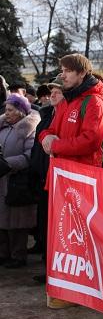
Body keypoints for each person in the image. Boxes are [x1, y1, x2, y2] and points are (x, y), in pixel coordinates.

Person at [39, 54, 103, 308]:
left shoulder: (93, 103)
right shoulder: (66, 101)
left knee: (79, 237)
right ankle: (64, 285)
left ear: (81, 73)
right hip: (61, 178)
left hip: (81, 180)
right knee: (61, 235)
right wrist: (46, 138)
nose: (63, 75)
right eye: (62, 70)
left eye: (67, 71)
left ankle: (82, 288)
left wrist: (57, 144)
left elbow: (91, 140)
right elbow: (48, 128)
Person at [29, 80, 64, 279]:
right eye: (52, 92)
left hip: (57, 178)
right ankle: (46, 263)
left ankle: (52, 269)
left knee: (55, 226)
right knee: (44, 223)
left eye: (57, 92)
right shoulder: (47, 114)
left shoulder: (64, 115)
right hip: (43, 175)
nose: (52, 95)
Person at [0, 95, 40, 269]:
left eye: (10, 110)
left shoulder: (28, 128)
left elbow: (30, 155)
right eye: (5, 110)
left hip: (16, 180)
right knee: (1, 219)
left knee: (17, 221)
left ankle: (18, 255)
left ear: (20, 112)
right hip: (1, 179)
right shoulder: (2, 126)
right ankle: (3, 254)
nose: (6, 114)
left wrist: (9, 164)